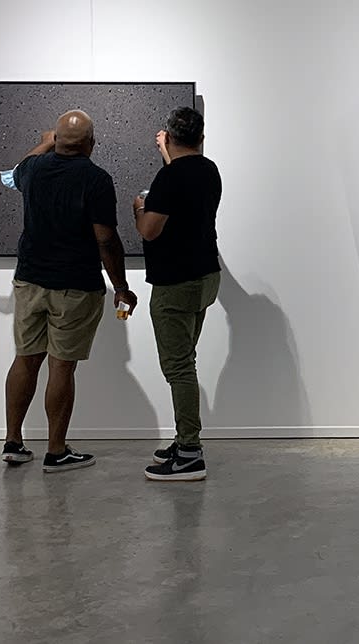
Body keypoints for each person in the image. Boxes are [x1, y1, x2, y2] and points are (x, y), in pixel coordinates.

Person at [2, 110, 138, 472]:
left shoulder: (32, 170)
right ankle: (56, 450)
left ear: (57, 141)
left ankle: (13, 442)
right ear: (92, 144)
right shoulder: (96, 179)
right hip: (75, 286)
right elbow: (106, 239)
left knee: (25, 359)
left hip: (29, 280)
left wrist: (47, 141)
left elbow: (22, 165)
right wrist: (121, 286)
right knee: (61, 366)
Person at [134, 106, 222, 482]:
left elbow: (150, 230)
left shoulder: (168, 180)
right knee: (187, 359)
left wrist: (139, 208)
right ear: (201, 138)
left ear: (168, 137)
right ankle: (184, 440)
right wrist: (167, 154)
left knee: (179, 368)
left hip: (175, 284)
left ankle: (189, 452)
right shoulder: (208, 170)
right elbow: (182, 178)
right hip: (204, 278)